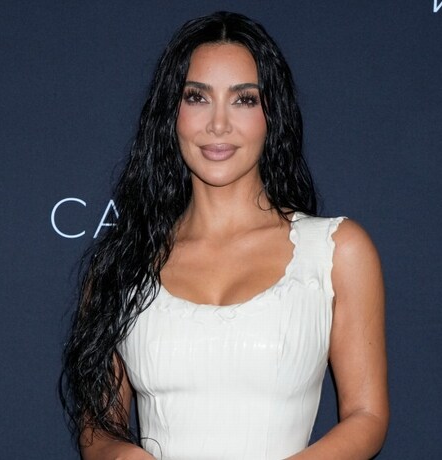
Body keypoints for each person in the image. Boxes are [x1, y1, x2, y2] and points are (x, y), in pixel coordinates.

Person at [61, 11, 388, 460]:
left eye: (244, 100)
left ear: (272, 115)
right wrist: (122, 455)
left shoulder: (336, 251)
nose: (218, 124)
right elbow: (97, 430)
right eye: (197, 97)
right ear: (171, 113)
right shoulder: (121, 265)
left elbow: (367, 415)